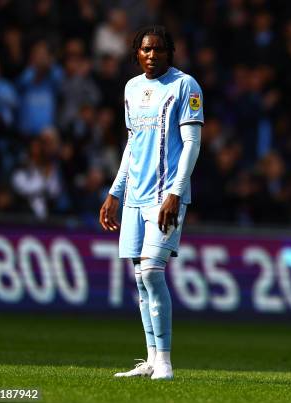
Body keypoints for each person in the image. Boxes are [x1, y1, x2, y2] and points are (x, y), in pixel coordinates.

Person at [99, 25, 203, 380]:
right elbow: (132, 144)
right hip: (134, 197)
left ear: (170, 52)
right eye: (145, 49)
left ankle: (166, 363)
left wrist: (176, 192)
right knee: (140, 278)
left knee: (153, 272)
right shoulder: (131, 88)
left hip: (165, 197)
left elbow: (191, 143)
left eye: (158, 49)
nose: (151, 55)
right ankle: (150, 359)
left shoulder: (185, 86)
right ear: (137, 52)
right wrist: (115, 191)